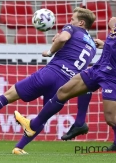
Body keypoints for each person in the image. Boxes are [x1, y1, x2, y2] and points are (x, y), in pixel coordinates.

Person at [0, 7, 96, 155]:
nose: (70, 21)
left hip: (51, 73)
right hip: (66, 84)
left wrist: (50, 51)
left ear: (81, 23)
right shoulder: (93, 45)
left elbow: (63, 38)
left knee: (7, 96)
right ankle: (19, 147)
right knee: (43, 116)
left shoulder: (71, 29)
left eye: (72, 19)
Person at [15, 16, 116, 152]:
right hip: (98, 69)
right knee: (63, 92)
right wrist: (105, 45)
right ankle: (34, 125)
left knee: (111, 118)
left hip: (112, 76)